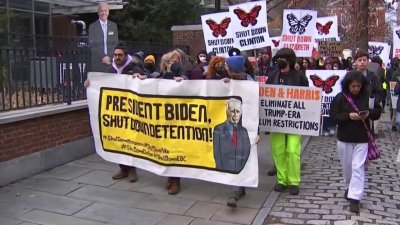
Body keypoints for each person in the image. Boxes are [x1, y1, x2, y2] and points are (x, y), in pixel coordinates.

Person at [85, 46, 146, 182]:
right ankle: (122, 168)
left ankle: (131, 170)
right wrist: (91, 83)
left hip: (131, 111)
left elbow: (146, 80)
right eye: (115, 55)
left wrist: (141, 77)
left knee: (130, 140)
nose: (117, 57)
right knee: (118, 141)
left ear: (125, 55)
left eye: (120, 55)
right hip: (116, 111)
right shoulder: (111, 69)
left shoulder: (134, 67)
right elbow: (102, 82)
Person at [330, 70, 382, 213]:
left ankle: (355, 198)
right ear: (348, 85)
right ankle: (349, 187)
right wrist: (348, 116)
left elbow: (377, 112)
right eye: (353, 86)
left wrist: (368, 114)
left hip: (362, 138)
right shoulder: (340, 98)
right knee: (347, 168)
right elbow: (333, 116)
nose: (356, 89)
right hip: (345, 138)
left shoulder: (368, 97)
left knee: (358, 168)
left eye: (358, 86)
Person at [266, 48, 309, 195]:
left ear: (290, 60)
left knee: (292, 150)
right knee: (278, 151)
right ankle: (282, 180)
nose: (280, 61)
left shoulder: (300, 78)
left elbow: (307, 100)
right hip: (276, 121)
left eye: (283, 58)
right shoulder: (272, 77)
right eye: (278, 58)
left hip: (294, 121)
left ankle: (294, 181)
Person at [217, 55, 255, 208]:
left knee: (242, 154)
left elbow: (253, 104)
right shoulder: (228, 80)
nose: (225, 67)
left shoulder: (250, 82)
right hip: (231, 125)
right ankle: (237, 187)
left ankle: (238, 189)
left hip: (245, 125)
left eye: (228, 66)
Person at [213, 98, 251, 173]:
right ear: (227, 112)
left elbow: (247, 152)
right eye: (232, 111)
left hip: (240, 172)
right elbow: (217, 155)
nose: (236, 115)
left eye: (238, 111)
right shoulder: (218, 129)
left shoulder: (244, 131)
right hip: (225, 173)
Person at [88, 2, 119, 72]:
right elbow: (93, 45)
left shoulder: (113, 26)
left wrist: (109, 57)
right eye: (101, 11)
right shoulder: (92, 26)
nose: (103, 13)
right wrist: (103, 57)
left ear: (108, 12)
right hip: (98, 62)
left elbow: (115, 43)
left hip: (110, 62)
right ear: (98, 12)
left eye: (105, 11)